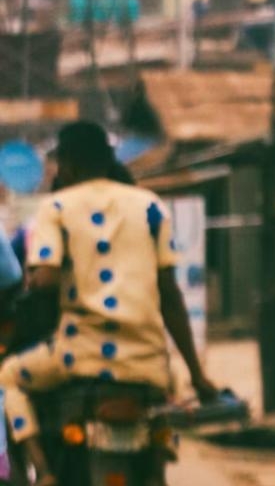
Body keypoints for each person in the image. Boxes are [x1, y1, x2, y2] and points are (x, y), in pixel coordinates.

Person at [0, 122, 216, 485]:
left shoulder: (57, 206)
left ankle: (46, 472)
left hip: (78, 357)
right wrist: (198, 375)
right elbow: (171, 297)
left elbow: (46, 280)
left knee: (7, 377)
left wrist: (37, 276)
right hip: (146, 361)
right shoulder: (150, 206)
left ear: (66, 164)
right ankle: (161, 454)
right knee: (172, 391)